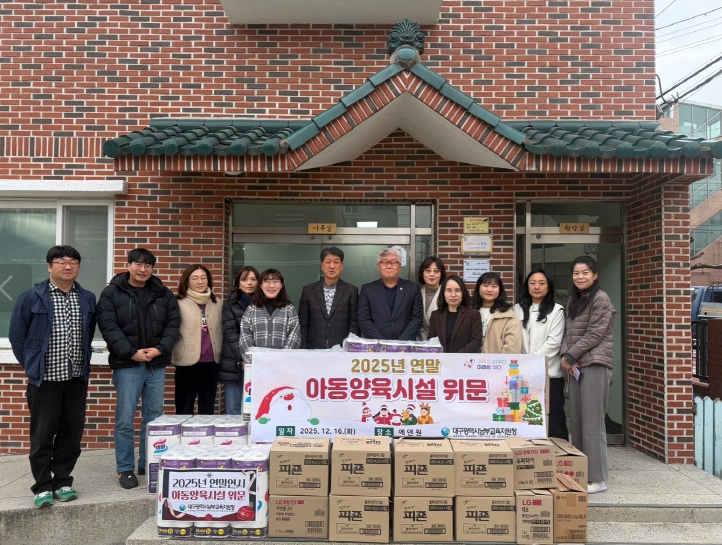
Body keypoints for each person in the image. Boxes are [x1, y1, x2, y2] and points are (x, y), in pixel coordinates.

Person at [9, 246, 97, 508]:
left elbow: (88, 333)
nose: (67, 266)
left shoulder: (87, 297)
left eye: (73, 262)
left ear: (78, 266)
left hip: (76, 377)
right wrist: (32, 366)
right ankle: (42, 486)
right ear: (49, 266)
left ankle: (62, 481)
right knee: (43, 434)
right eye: (61, 262)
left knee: (71, 433)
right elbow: (17, 336)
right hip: (45, 380)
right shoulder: (31, 297)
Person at [96, 248, 180, 489]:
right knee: (125, 419)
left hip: (156, 364)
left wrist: (160, 349)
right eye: (138, 264)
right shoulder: (112, 292)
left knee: (153, 418)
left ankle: (148, 462)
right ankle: (125, 469)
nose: (143, 269)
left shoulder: (163, 293)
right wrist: (131, 352)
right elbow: (108, 326)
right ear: (129, 265)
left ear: (152, 268)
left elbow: (173, 324)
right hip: (127, 365)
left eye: (148, 265)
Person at [561, 256, 616, 494]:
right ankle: (582, 473)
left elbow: (595, 334)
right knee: (578, 421)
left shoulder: (601, 299)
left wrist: (570, 355)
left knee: (592, 423)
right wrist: (566, 355)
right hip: (577, 366)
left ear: (595, 275)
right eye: (576, 273)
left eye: (585, 272)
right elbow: (568, 333)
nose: (580, 277)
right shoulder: (574, 301)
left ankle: (598, 478)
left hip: (595, 364)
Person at [514, 270, 567, 440]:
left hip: (549, 375)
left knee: (554, 419)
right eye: (532, 283)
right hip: (523, 375)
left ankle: (560, 450)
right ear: (527, 286)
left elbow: (554, 342)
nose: (537, 287)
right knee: (526, 418)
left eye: (542, 283)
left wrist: (533, 361)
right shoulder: (517, 309)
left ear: (549, 287)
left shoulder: (557, 310)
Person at [172, 264, 223, 415]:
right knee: (184, 408)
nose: (200, 282)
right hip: (187, 362)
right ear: (187, 281)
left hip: (211, 362)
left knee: (207, 409)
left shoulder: (216, 302)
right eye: (195, 278)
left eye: (203, 278)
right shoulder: (178, 302)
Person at [298, 247, 359, 349]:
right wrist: (302, 349)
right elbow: (303, 323)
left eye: (336, 262)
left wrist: (352, 347)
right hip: (313, 346)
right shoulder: (308, 290)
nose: (332, 266)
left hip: (341, 347)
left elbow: (354, 324)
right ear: (322, 265)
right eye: (328, 262)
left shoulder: (351, 291)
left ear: (342, 266)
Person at [357, 247, 423, 340]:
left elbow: (417, 319)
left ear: (399, 266)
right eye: (384, 262)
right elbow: (363, 320)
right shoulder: (367, 289)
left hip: (405, 344)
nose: (389, 266)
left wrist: (400, 343)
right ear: (378, 266)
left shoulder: (413, 288)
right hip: (376, 344)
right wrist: (382, 343)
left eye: (393, 262)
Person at [219, 266, 259, 415]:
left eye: (253, 279)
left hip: (259, 360)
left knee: (257, 408)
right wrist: (244, 358)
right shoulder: (230, 304)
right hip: (234, 360)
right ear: (238, 283)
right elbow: (230, 332)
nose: (249, 283)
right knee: (233, 408)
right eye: (244, 279)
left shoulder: (265, 303)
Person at [239, 269, 301, 351]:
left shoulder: (289, 309)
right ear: (261, 285)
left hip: (284, 358)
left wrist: (283, 355)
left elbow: (295, 336)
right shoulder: (252, 309)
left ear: (281, 285)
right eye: (267, 281)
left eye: (276, 281)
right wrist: (254, 355)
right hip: (257, 358)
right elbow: (244, 336)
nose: (271, 285)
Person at [428, 275, 483, 353]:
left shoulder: (473, 315)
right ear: (443, 293)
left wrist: (456, 357)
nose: (453, 295)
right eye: (449, 290)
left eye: (457, 290)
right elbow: (432, 340)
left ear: (463, 293)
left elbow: (476, 342)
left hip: (464, 359)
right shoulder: (435, 315)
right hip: (441, 359)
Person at [472, 272, 522, 353]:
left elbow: (512, 348)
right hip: (470, 360)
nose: (489, 290)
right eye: (485, 285)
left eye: (494, 286)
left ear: (500, 290)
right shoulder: (469, 312)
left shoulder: (508, 315)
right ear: (478, 288)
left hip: (497, 361)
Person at [417, 256, 446, 340]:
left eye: (436, 271)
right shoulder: (416, 294)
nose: (432, 274)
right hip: (419, 340)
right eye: (428, 270)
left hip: (441, 341)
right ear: (422, 274)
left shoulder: (447, 295)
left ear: (441, 274)